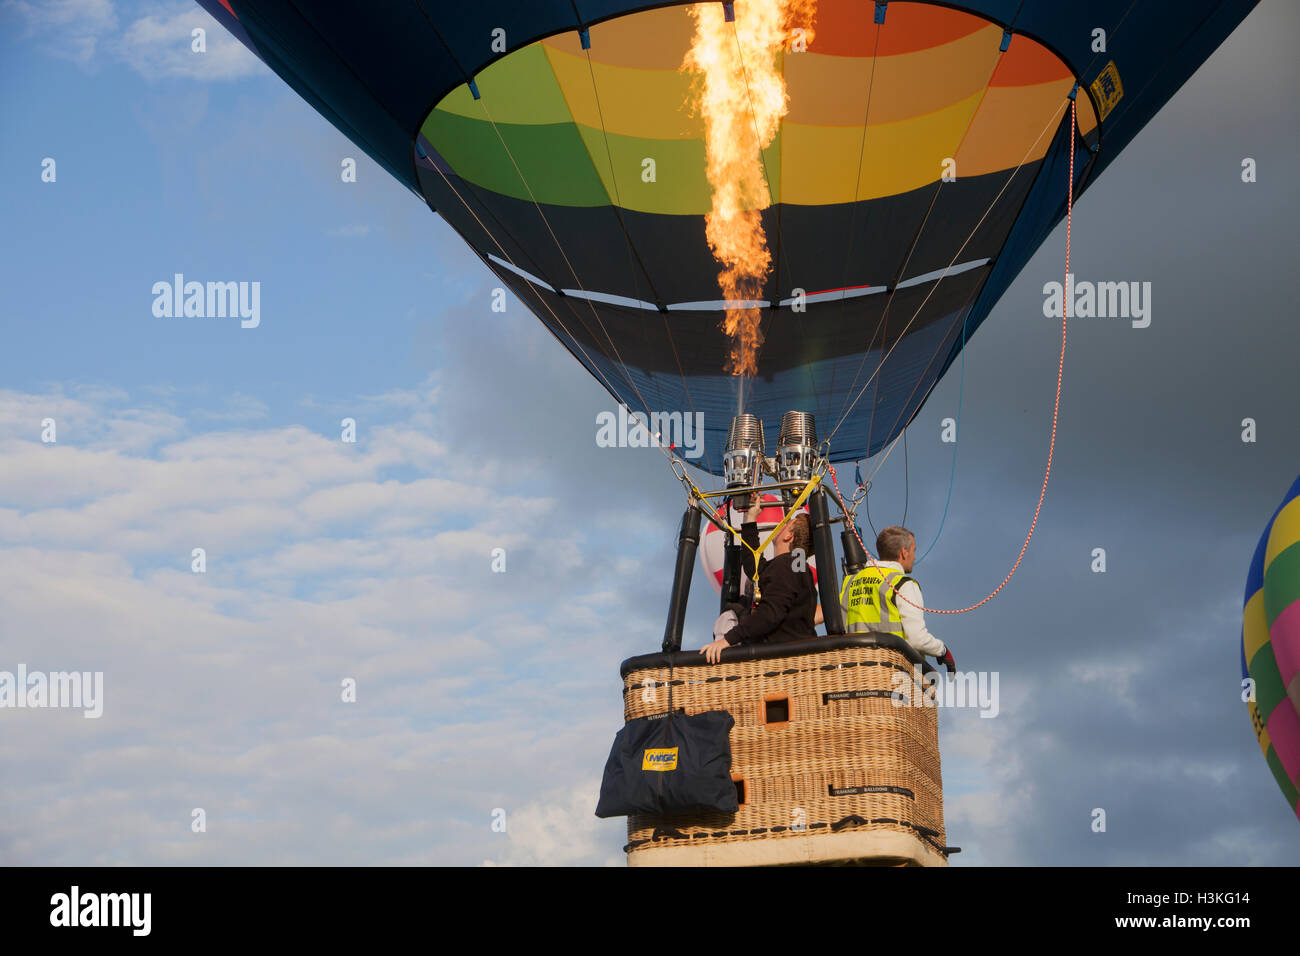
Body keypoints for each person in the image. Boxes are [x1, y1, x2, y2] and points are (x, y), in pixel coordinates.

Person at [701, 503, 817, 663]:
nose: (778, 527)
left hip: (781, 662)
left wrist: (728, 640)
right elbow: (754, 568)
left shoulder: (787, 566)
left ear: (789, 535)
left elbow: (770, 613)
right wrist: (750, 518)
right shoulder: (797, 566)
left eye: (784, 524)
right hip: (793, 657)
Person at [840, 526, 956, 671]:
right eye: (913, 550)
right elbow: (917, 640)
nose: (914, 556)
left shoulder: (850, 582)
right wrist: (942, 650)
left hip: (852, 671)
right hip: (890, 672)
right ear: (903, 553)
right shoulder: (903, 585)